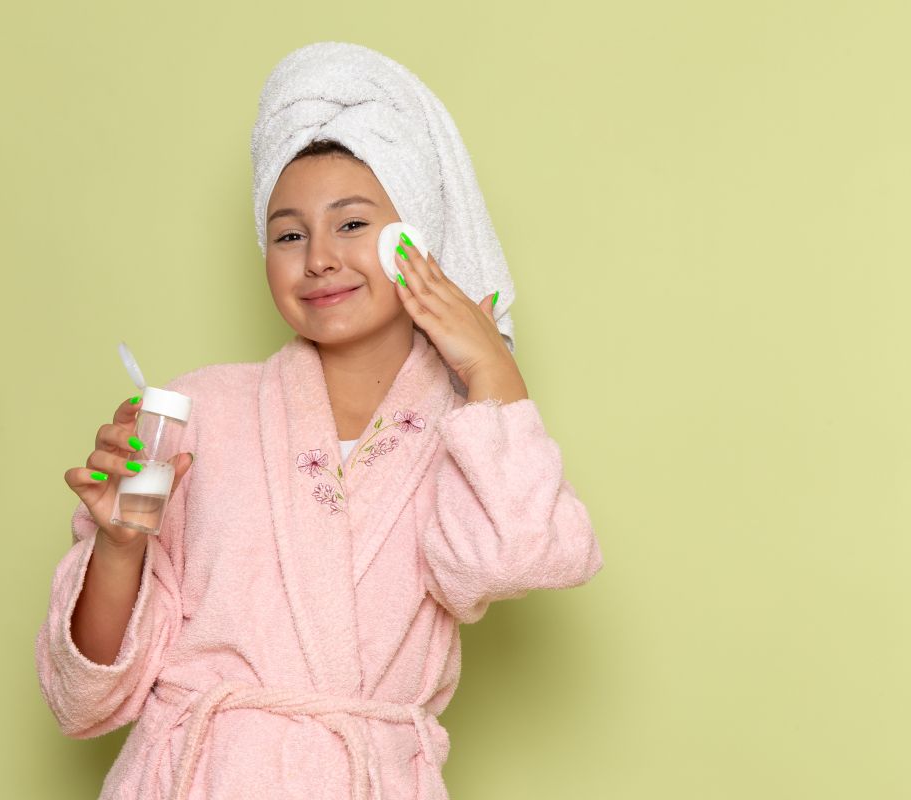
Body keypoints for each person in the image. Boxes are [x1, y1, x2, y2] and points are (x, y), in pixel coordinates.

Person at [37, 46, 604, 800]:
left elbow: (514, 560)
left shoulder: (467, 433)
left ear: (417, 239)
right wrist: (119, 546)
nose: (318, 260)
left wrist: (490, 370)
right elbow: (84, 700)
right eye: (289, 234)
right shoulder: (197, 412)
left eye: (353, 223)